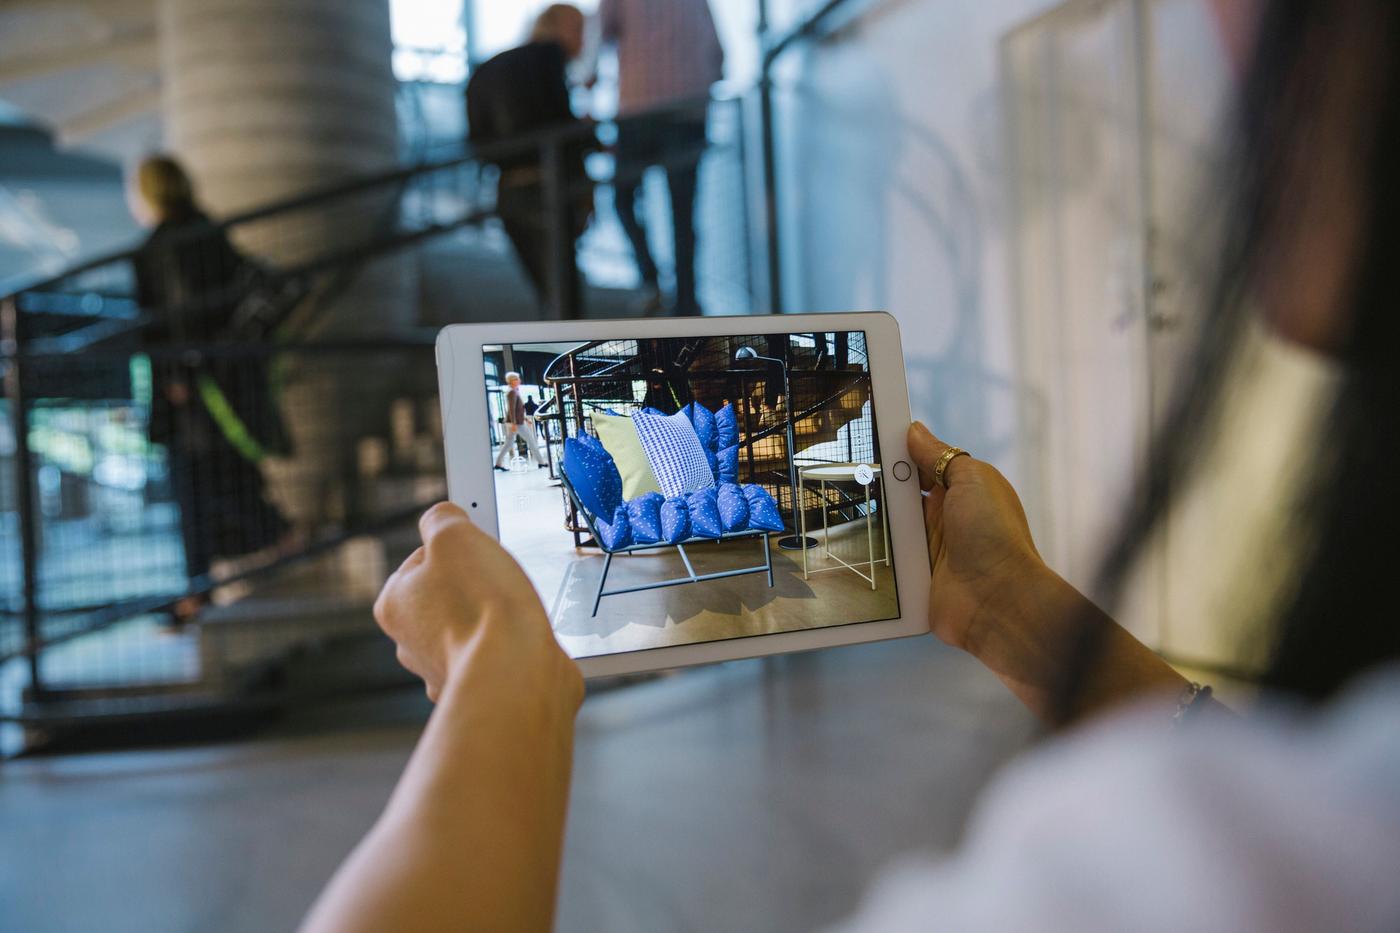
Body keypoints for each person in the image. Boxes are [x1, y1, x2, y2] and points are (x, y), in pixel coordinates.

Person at [301, 3, 1400, 931]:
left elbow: (1250, 812)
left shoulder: (1197, 875)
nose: (1219, 30)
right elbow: (1249, 769)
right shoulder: (1335, 795)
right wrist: (1007, 605)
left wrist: (500, 680)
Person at [129, 155, 290, 624]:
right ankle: (204, 585)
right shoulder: (208, 231)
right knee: (217, 475)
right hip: (220, 377)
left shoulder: (159, 247)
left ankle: (220, 575)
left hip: (190, 385)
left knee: (200, 482)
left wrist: (175, 378)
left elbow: (162, 323)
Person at [466, 5, 594, 318]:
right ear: (555, 28)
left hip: (508, 192)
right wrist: (588, 138)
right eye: (578, 28)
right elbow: (558, 126)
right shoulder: (549, 55)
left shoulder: (488, 67)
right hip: (546, 187)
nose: (584, 39)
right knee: (565, 302)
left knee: (549, 296)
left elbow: (479, 142)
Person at [598, 0, 724, 317]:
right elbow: (720, 56)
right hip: (689, 112)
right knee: (683, 213)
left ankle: (651, 282)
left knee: (623, 199)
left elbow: (597, 38)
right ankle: (686, 302)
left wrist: (586, 81)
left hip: (638, 111)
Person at [494, 372, 548, 471]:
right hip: (516, 423)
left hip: (516, 422)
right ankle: (541, 462)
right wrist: (514, 423)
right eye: (517, 379)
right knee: (531, 440)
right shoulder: (512, 392)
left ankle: (498, 463)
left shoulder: (514, 391)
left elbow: (518, 409)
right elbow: (512, 409)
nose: (519, 381)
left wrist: (525, 418)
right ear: (512, 381)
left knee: (509, 443)